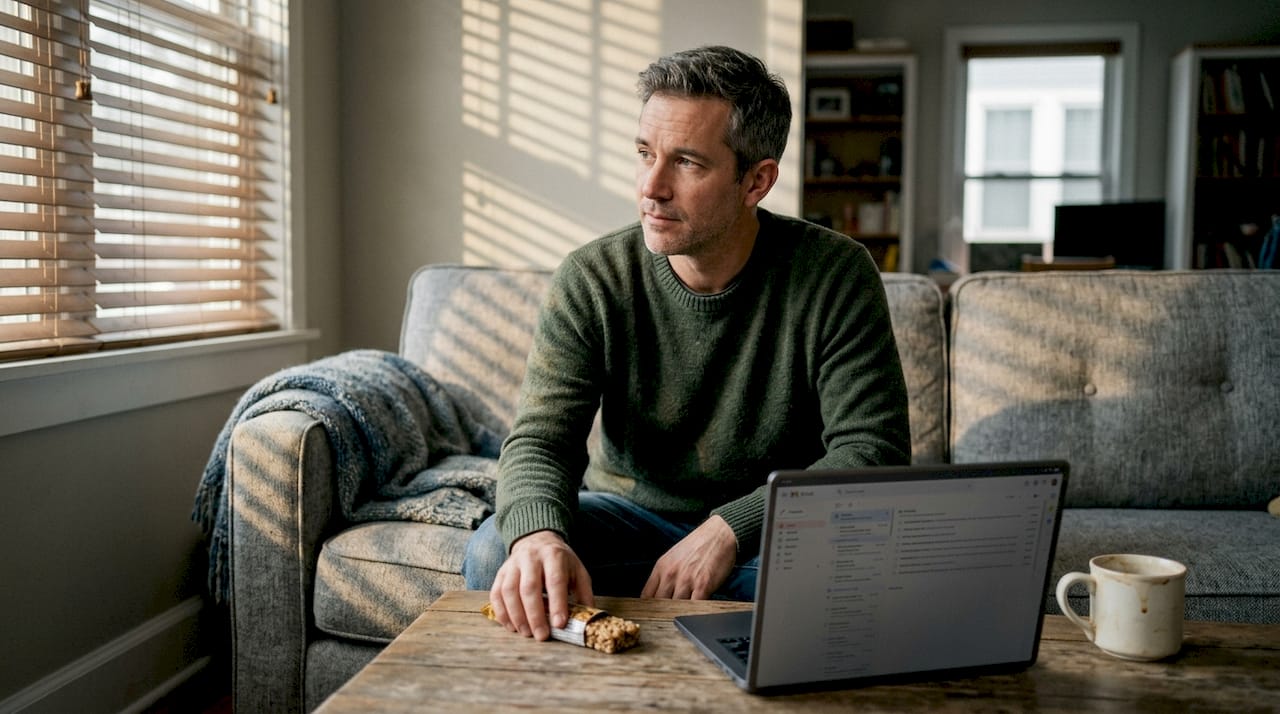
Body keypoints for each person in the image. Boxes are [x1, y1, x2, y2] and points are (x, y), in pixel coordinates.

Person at [462, 45, 910, 642]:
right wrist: (538, 536)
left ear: (757, 181)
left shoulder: (835, 275)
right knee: (497, 554)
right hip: (628, 519)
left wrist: (730, 529)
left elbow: (873, 448)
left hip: (771, 533)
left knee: (863, 578)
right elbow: (542, 439)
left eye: (687, 163)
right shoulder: (593, 278)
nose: (652, 187)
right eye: (645, 154)